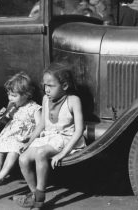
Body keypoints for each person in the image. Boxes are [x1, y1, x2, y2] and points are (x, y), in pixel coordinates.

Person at [14, 63, 86, 209]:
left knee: (41, 153)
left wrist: (62, 154)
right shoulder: (46, 99)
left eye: (51, 86)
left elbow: (79, 130)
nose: (46, 89)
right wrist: (29, 142)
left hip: (67, 138)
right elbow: (41, 125)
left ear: (64, 85)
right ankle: (35, 194)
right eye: (45, 85)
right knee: (23, 158)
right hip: (49, 137)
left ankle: (39, 198)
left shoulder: (73, 100)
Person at [0, 72, 41, 190]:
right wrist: (3, 115)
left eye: (14, 96)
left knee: (12, 152)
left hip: (21, 137)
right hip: (8, 134)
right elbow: (5, 120)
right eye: (9, 94)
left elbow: (40, 125)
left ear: (26, 94)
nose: (10, 98)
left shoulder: (34, 108)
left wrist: (32, 137)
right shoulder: (12, 106)